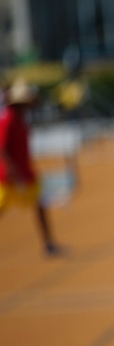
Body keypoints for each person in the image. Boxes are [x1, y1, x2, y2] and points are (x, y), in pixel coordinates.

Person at [0, 79, 62, 256]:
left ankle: (49, 243)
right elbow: (2, 148)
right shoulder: (8, 119)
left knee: (40, 204)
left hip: (25, 174)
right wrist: (12, 170)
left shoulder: (20, 118)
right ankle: (49, 243)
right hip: (9, 177)